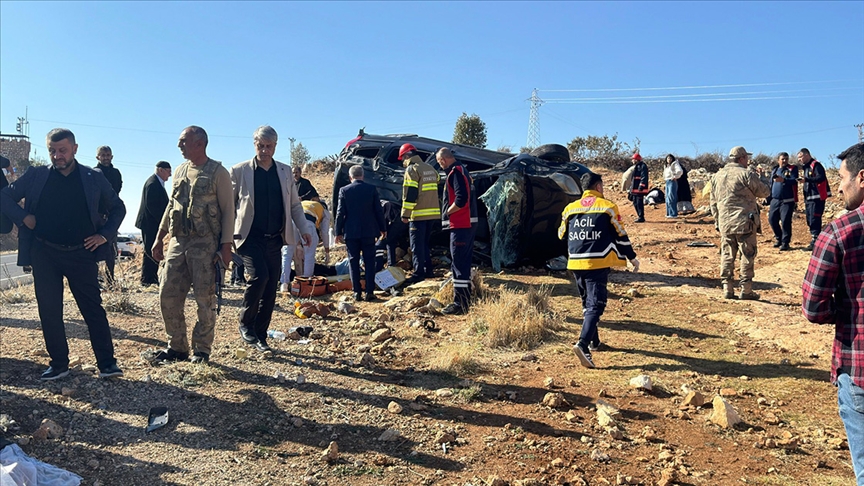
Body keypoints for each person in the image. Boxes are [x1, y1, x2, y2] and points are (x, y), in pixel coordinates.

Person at [0, 128, 125, 380]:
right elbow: (4, 196)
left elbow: (117, 208)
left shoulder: (93, 177)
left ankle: (107, 364)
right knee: (49, 311)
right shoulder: (36, 175)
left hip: (82, 253)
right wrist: (23, 217)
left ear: (75, 149)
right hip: (44, 252)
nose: (57, 156)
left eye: (63, 150)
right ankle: (59, 364)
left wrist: (104, 235)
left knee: (92, 309)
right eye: (52, 151)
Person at [801, 143, 864, 485]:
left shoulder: (840, 232)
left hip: (859, 369)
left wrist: (846, 311)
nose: (838, 187)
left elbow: (813, 307)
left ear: (862, 178)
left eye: (842, 178)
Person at [150, 126, 235, 364]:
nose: (179, 146)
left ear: (200, 143)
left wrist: (226, 247)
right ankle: (177, 347)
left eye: (183, 141)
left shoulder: (218, 173)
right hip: (178, 241)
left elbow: (229, 211)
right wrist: (159, 237)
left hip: (205, 244)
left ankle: (201, 350)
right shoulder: (179, 171)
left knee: (204, 298)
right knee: (167, 294)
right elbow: (171, 206)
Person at [230, 126, 311, 353]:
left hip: (275, 237)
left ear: (275, 146)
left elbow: (295, 206)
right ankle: (246, 323)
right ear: (254, 144)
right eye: (261, 146)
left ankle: (261, 334)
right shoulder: (239, 171)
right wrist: (226, 237)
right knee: (259, 277)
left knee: (271, 285)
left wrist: (304, 229)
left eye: (269, 146)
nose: (264, 150)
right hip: (249, 237)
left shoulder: (285, 172)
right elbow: (229, 206)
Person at [558, 172, 639, 369]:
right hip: (597, 261)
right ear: (599, 187)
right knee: (596, 305)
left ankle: (594, 342)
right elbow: (620, 234)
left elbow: (561, 234)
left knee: (587, 303)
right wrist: (632, 257)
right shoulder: (607, 207)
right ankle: (583, 344)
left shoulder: (570, 208)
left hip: (575, 263)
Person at [709, 146, 771, 300]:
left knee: (727, 254)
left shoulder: (717, 176)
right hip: (745, 222)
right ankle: (746, 289)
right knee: (747, 254)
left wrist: (717, 221)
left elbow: (713, 203)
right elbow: (765, 192)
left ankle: (727, 288)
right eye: (747, 158)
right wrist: (763, 178)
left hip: (725, 222)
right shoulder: (746, 174)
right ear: (741, 158)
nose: (748, 160)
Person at [334, 165, 386, 301]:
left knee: (353, 261)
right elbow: (378, 211)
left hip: (351, 232)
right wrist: (383, 228)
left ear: (350, 177)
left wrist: (337, 232)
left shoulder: (344, 190)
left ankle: (356, 292)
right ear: (363, 175)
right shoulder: (371, 189)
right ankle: (369, 291)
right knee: (369, 261)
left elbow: (340, 213)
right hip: (369, 231)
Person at [437, 147, 477, 315]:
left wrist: (447, 212)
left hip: (461, 224)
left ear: (443, 160)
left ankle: (459, 304)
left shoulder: (455, 173)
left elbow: (461, 199)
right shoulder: (463, 171)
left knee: (459, 263)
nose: (440, 166)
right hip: (466, 224)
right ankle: (464, 300)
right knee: (463, 263)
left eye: (439, 162)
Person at [399, 143, 441, 285]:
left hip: (418, 215)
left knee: (416, 246)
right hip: (432, 214)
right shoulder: (430, 168)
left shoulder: (412, 170)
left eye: (402, 159)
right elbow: (438, 180)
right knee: (424, 244)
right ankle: (428, 271)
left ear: (406, 156)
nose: (403, 162)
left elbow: (410, 193)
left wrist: (405, 214)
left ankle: (418, 273)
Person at [134, 161, 171, 286]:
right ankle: (147, 279)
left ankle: (152, 277)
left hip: (153, 223)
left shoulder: (157, 183)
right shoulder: (152, 184)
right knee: (150, 250)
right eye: (168, 171)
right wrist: (164, 222)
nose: (170, 175)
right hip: (150, 224)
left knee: (154, 249)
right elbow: (152, 206)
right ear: (161, 170)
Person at [94, 145, 123, 284]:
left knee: (111, 249)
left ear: (112, 156)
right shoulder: (93, 173)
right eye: (103, 155)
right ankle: (93, 279)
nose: (106, 158)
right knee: (93, 246)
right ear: (98, 157)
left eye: (108, 155)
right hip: (97, 214)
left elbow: (117, 190)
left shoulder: (116, 173)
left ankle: (110, 280)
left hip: (111, 215)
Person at [800, 148, 831, 251]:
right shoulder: (806, 167)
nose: (799, 159)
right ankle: (816, 239)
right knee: (809, 219)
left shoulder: (816, 165)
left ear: (807, 155)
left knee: (814, 219)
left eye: (800, 157)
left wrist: (807, 180)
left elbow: (821, 177)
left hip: (817, 198)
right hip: (809, 198)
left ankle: (816, 242)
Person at [767, 152, 799, 251]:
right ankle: (779, 238)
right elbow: (771, 184)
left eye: (786, 159)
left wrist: (783, 180)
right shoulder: (775, 170)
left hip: (787, 200)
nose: (785, 161)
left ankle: (785, 242)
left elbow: (795, 180)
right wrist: (768, 197)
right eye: (783, 159)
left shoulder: (792, 169)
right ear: (778, 160)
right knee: (772, 219)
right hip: (775, 200)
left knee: (785, 221)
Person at [300, 200, 332, 276]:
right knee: (309, 254)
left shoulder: (306, 203)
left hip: (292, 223)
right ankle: (307, 280)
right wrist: (327, 251)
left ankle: (284, 280)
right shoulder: (324, 211)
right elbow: (324, 232)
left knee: (288, 254)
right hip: (308, 224)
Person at [376, 199, 408, 272]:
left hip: (395, 219)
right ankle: (391, 266)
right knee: (390, 242)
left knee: (379, 245)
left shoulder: (378, 207)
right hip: (401, 218)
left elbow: (382, 221)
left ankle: (377, 268)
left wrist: (382, 234)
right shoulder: (382, 203)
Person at [629, 153, 649, 223]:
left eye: (633, 159)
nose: (632, 161)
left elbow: (644, 177)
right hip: (635, 188)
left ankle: (641, 217)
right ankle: (639, 216)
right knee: (635, 202)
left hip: (640, 189)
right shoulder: (636, 166)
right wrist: (631, 188)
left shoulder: (643, 166)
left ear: (636, 159)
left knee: (639, 203)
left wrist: (641, 186)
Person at [662, 154, 683, 219]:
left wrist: (675, 177)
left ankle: (673, 214)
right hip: (667, 181)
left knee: (672, 197)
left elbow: (680, 171)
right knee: (667, 198)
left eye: (670, 158)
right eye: (668, 158)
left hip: (672, 181)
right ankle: (669, 213)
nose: (669, 159)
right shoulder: (666, 166)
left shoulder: (675, 164)